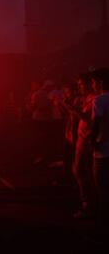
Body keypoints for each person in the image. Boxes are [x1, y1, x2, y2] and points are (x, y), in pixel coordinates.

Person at [65, 74, 96, 218]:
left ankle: (88, 205)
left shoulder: (95, 99)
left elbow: (85, 117)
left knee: (79, 170)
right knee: (82, 171)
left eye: (81, 84)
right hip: (83, 140)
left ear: (90, 84)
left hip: (86, 142)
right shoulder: (88, 99)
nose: (79, 87)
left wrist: (70, 107)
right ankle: (90, 202)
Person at [90, 68, 109, 233]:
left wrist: (91, 142)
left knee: (102, 188)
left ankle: (103, 227)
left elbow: (95, 124)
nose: (93, 85)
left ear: (101, 83)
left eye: (95, 82)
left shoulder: (99, 100)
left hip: (103, 150)